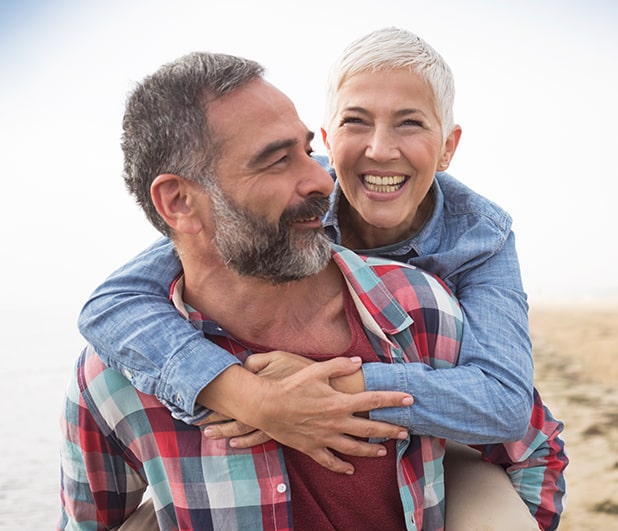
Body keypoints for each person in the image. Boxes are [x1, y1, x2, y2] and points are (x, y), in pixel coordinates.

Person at [76, 28, 567, 529]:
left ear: (447, 148)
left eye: (410, 123)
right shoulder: (299, 203)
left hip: (443, 432)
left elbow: (507, 404)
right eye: (357, 121)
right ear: (329, 140)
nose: (379, 149)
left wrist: (342, 385)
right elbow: (115, 303)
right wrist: (255, 398)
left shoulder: (478, 242)